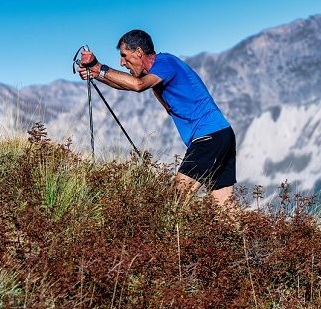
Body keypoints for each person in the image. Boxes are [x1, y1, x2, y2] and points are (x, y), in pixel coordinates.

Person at [77, 30, 236, 206]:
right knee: (226, 211)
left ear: (138, 52)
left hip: (209, 137)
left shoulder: (165, 63)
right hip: (222, 134)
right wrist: (96, 74)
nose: (122, 63)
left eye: (124, 56)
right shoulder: (157, 72)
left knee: (174, 202)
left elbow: (137, 85)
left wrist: (98, 67)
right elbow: (126, 84)